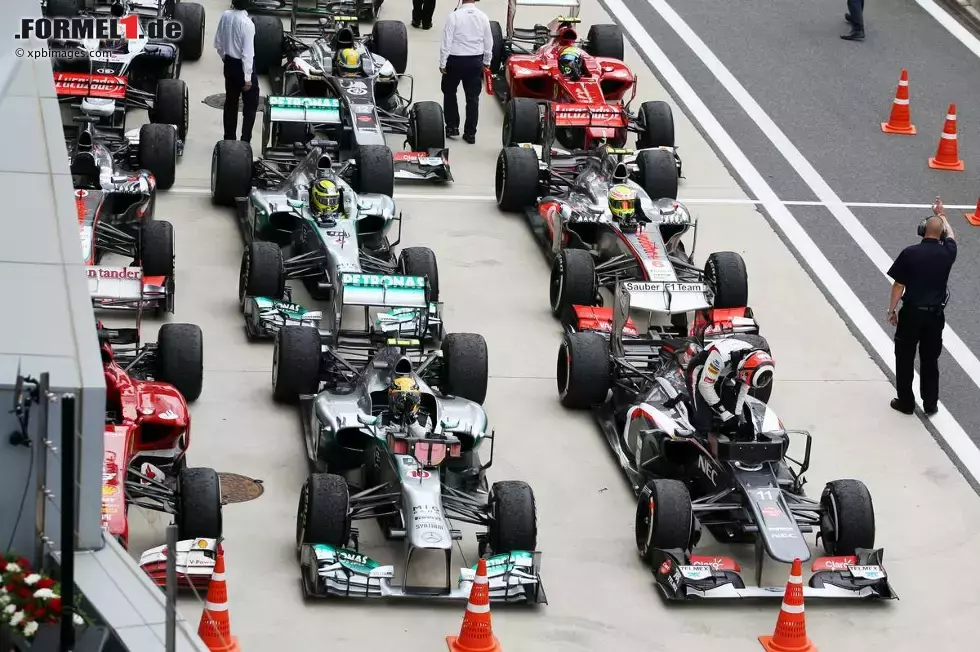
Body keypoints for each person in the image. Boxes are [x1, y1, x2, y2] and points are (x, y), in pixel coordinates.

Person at [886, 198, 956, 416]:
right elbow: (952, 236)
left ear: (922, 230)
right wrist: (942, 215)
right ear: (941, 233)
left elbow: (899, 284)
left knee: (905, 357)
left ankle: (906, 402)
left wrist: (891, 310)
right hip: (935, 316)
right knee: (930, 359)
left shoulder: (910, 253)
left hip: (911, 314)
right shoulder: (948, 253)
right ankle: (931, 403)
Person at [687, 339, 775, 437]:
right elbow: (704, 386)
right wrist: (722, 411)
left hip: (724, 372)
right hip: (700, 373)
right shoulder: (721, 354)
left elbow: (743, 389)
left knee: (731, 414)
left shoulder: (754, 363)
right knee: (703, 420)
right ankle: (701, 439)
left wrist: (738, 416)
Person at [439, 0, 493, 144]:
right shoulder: (483, 17)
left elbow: (447, 41)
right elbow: (489, 42)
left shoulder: (454, 16)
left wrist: (443, 62)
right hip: (475, 61)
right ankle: (470, 133)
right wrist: (487, 61)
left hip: (455, 60)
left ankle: (452, 127)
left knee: (449, 92)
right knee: (472, 98)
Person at [214, 0, 258, 143]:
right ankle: (245, 141)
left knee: (231, 102)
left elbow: (218, 43)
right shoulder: (248, 24)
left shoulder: (225, 15)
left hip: (229, 63)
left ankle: (229, 139)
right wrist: (247, 77)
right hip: (242, 67)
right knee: (251, 104)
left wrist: (224, 58)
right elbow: (247, 54)